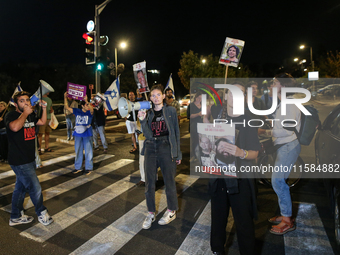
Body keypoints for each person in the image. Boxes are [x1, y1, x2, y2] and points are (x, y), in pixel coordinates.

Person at [203, 82, 261, 255]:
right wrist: (205, 124)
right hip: (219, 175)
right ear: (226, 95)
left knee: (243, 220)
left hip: (240, 178)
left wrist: (240, 152)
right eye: (231, 92)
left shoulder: (249, 118)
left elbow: (255, 153)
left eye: (240, 92)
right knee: (218, 216)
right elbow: (206, 133)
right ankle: (217, 249)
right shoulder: (217, 113)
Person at [5, 91, 53, 226]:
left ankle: (15, 216)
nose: (26, 103)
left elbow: (43, 121)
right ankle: (42, 213)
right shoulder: (11, 115)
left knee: (20, 189)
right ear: (15, 103)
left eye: (27, 100)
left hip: (29, 159)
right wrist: (25, 113)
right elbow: (14, 127)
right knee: (35, 187)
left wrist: (44, 108)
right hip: (19, 161)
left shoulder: (31, 115)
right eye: (21, 101)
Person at [138, 84, 182, 229]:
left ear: (163, 96)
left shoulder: (171, 110)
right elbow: (148, 135)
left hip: (166, 146)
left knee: (169, 181)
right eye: (153, 95)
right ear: (150, 98)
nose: (155, 97)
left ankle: (171, 210)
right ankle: (151, 212)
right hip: (150, 146)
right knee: (149, 182)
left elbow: (175, 132)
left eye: (158, 95)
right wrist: (143, 120)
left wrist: (177, 153)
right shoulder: (148, 112)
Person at [268, 73, 301, 235]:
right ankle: (285, 214)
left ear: (284, 86)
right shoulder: (285, 103)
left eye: (275, 83)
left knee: (278, 182)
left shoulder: (289, 103)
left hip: (288, 145)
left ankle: (287, 221)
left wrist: (267, 131)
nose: (272, 85)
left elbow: (288, 129)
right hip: (284, 146)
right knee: (279, 181)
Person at [64, 92, 94, 175]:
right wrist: (65, 98)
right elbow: (67, 107)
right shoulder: (77, 111)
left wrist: (87, 101)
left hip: (87, 134)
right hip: (77, 134)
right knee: (78, 151)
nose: (88, 106)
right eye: (86, 105)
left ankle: (88, 167)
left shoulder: (89, 112)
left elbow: (92, 110)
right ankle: (78, 167)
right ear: (82, 106)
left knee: (88, 151)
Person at [187, 91, 203, 160]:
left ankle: (201, 155)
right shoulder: (191, 106)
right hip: (194, 126)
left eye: (201, 98)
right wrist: (198, 114)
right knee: (195, 140)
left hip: (202, 126)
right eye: (199, 98)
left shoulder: (203, 105)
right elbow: (189, 116)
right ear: (196, 97)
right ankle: (194, 156)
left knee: (202, 141)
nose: (200, 99)